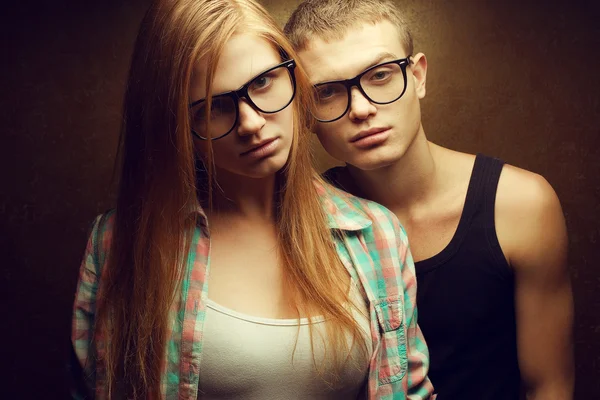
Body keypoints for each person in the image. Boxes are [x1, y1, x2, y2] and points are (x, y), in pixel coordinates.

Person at [70, 0, 436, 399]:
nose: (251, 123)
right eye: (214, 107)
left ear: (295, 79)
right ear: (176, 124)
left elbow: (410, 389)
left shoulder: (376, 234)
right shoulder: (119, 244)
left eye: (262, 83)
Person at [284, 1, 574, 399]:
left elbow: (549, 384)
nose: (362, 109)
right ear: (305, 113)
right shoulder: (297, 225)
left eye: (381, 75)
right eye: (328, 92)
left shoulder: (522, 205)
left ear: (417, 76)